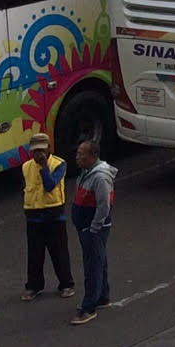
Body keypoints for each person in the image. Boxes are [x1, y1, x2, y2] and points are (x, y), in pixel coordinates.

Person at [20, 133, 74, 301]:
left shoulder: (59, 164)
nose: (38, 155)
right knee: (35, 254)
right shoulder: (26, 167)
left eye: (41, 151)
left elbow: (50, 185)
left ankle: (66, 284)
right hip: (34, 216)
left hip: (54, 215)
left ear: (49, 149)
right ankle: (34, 286)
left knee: (59, 252)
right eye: (35, 152)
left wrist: (44, 168)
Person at [69, 139, 117, 325]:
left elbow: (104, 206)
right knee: (99, 260)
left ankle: (89, 307)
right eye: (78, 153)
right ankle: (103, 296)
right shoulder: (87, 172)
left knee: (92, 266)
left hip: (92, 229)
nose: (78, 157)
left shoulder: (100, 177)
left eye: (82, 154)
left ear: (93, 156)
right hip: (87, 227)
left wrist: (94, 227)